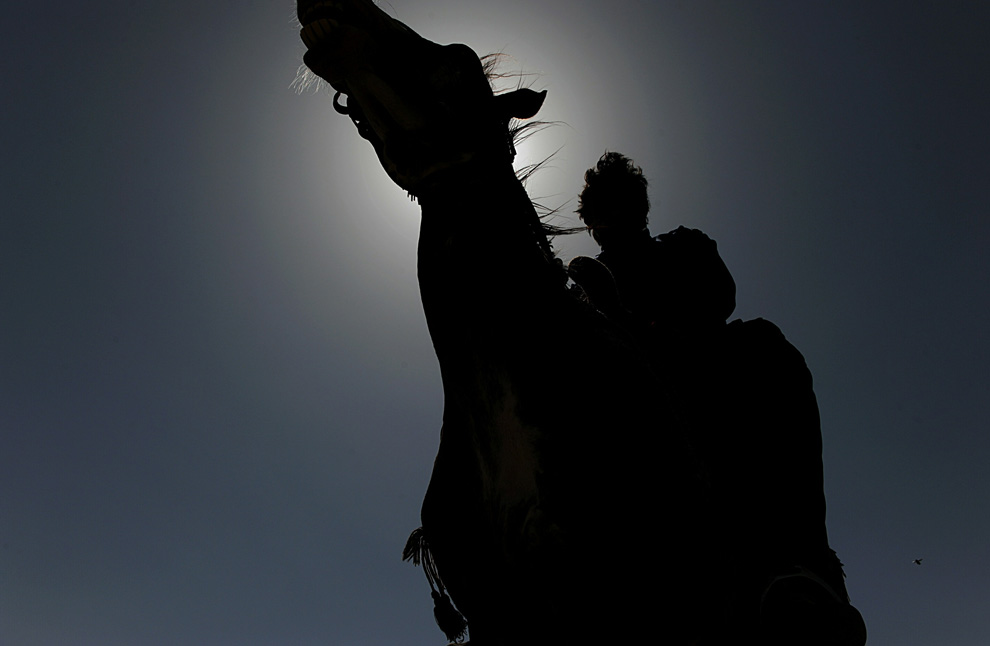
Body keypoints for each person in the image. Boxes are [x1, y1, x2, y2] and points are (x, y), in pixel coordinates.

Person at [569, 152, 866, 645]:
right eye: (598, 216)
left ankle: (800, 564)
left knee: (766, 348)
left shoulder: (682, 247)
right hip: (618, 398)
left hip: (699, 373)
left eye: (616, 209)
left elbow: (716, 302)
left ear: (638, 210)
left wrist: (627, 318)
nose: (605, 225)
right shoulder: (583, 285)